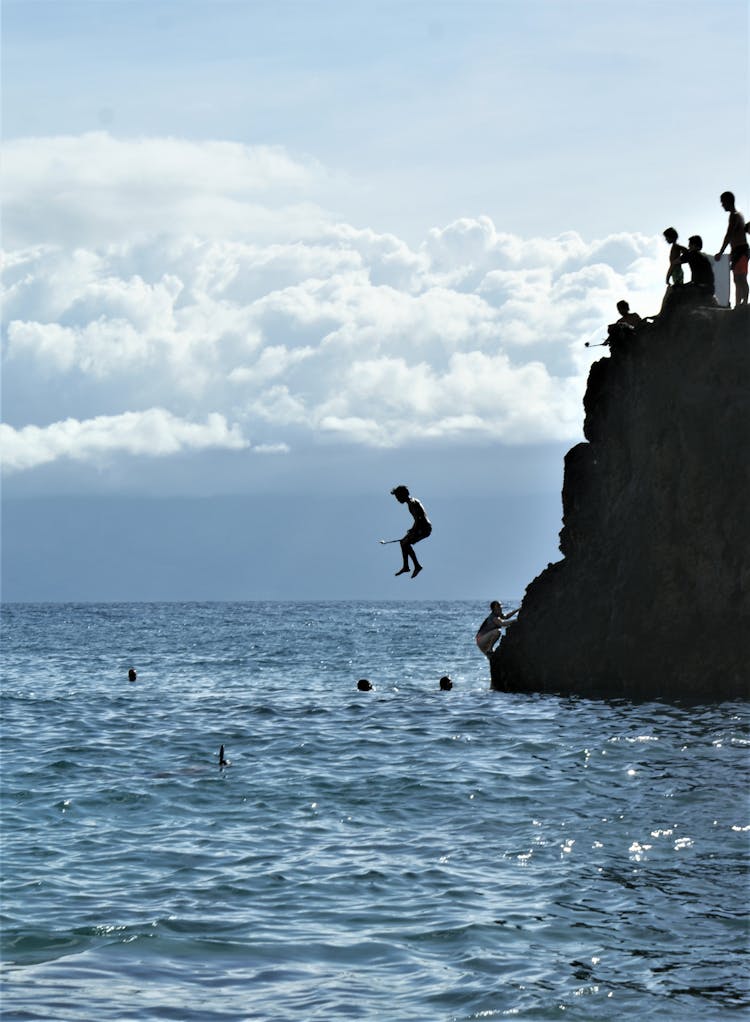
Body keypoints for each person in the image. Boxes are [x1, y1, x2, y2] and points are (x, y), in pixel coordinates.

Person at [714, 191, 748, 307]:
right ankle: (738, 303)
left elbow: (729, 234)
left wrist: (721, 252)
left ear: (728, 202)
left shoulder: (735, 215)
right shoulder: (735, 214)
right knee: (737, 279)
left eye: (723, 203)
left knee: (741, 278)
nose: (722, 205)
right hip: (737, 251)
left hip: (741, 250)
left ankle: (744, 302)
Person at [391, 485, 431, 579]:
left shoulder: (412, 502)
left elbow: (419, 518)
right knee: (403, 542)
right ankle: (407, 567)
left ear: (403, 495)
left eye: (398, 497)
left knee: (405, 543)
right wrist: (413, 529)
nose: (397, 500)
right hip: (422, 527)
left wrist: (414, 529)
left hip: (424, 528)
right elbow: (418, 519)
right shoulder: (411, 502)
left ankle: (415, 566)